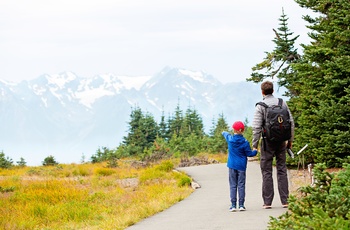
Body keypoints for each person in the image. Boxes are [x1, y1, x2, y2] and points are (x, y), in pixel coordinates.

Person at [252, 81, 295, 209]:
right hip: (282, 142)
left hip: (267, 142)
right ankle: (285, 200)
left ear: (262, 92)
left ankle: (267, 202)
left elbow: (256, 127)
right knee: (281, 169)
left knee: (266, 171)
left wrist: (255, 145)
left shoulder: (261, 106)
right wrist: (290, 141)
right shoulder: (282, 103)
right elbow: (291, 123)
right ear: (273, 90)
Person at [222, 121, 258, 212]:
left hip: (232, 165)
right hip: (241, 166)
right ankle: (241, 205)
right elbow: (249, 154)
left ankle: (233, 205)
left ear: (234, 129)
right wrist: (255, 151)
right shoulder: (245, 142)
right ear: (242, 130)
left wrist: (223, 132)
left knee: (233, 185)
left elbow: (225, 133)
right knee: (241, 185)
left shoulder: (230, 139)